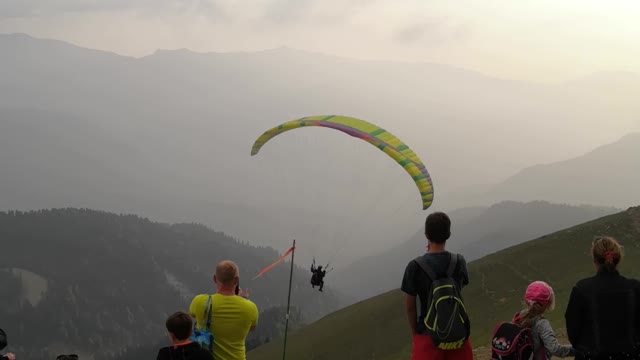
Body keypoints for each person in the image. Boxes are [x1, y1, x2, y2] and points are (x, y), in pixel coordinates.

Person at [401, 212, 472, 360]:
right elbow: (459, 289)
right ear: (449, 234)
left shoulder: (414, 266)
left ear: (426, 234)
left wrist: (415, 333)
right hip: (458, 336)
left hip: (427, 337)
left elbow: (410, 306)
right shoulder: (459, 261)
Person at [565, 236, 640, 360]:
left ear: (595, 259)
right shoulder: (635, 288)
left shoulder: (582, 289)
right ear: (619, 258)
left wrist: (587, 348)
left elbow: (573, 331)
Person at [189, 260, 259, 360]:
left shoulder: (200, 302)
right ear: (236, 280)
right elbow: (251, 328)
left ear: (214, 278)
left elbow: (193, 314)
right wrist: (242, 300)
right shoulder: (251, 308)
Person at [513, 281, 574, 359]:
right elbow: (554, 349)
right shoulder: (542, 323)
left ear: (526, 300)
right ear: (546, 304)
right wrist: (576, 350)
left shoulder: (519, 316)